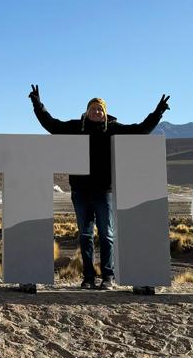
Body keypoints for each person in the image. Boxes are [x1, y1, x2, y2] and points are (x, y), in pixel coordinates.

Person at [29, 85, 170, 293]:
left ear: (105, 112)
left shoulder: (113, 128)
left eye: (100, 109)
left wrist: (157, 112)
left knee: (106, 234)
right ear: (87, 111)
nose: (96, 112)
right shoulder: (76, 127)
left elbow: (140, 130)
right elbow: (52, 125)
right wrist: (37, 104)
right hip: (80, 192)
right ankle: (88, 277)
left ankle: (108, 276)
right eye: (93, 109)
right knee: (85, 236)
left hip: (104, 191)